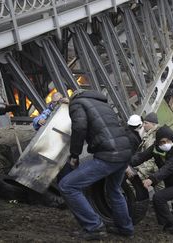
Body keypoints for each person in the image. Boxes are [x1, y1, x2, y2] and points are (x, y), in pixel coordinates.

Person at [59, 90, 133, 240]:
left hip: (108, 154)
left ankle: (94, 227)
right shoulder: (103, 104)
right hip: (124, 153)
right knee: (114, 190)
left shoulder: (77, 104)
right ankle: (126, 228)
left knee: (67, 186)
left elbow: (79, 127)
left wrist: (75, 154)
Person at [127, 112, 165, 191]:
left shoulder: (154, 137)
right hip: (156, 170)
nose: (143, 125)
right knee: (160, 192)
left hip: (153, 169)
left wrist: (139, 171)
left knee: (130, 182)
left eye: (145, 123)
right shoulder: (151, 134)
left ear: (153, 124)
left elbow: (152, 159)